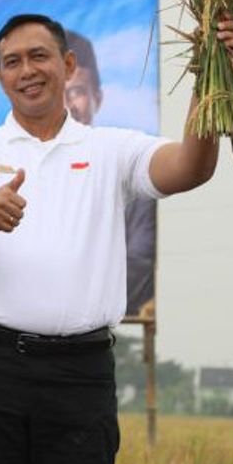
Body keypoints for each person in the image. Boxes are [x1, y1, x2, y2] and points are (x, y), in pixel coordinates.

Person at [0, 13, 233, 464]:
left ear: (68, 66)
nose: (28, 71)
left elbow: (190, 167)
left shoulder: (112, 150)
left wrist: (215, 72)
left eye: (40, 56)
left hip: (79, 377)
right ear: (0, 77)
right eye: (13, 62)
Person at [65, 31, 156, 317]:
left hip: (100, 331)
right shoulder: (19, 175)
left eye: (76, 92)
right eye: (57, 94)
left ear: (97, 98)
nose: (67, 106)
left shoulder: (128, 169)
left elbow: (139, 263)